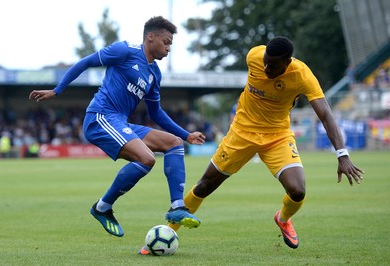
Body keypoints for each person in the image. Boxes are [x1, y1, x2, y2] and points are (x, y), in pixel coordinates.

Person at [168, 36, 364, 249]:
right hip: (242, 132)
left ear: (287, 62)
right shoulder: (254, 56)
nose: (266, 68)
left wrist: (342, 154)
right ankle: (168, 232)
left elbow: (326, 115)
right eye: (265, 63)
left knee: (298, 191)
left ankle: (283, 218)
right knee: (205, 185)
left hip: (277, 136)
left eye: (272, 65)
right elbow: (262, 63)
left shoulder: (302, 75)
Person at [29, 16, 206, 238]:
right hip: (100, 117)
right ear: (150, 37)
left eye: (171, 44)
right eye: (166, 41)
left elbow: (155, 113)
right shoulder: (124, 50)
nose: (169, 48)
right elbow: (86, 62)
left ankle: (177, 207)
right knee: (147, 158)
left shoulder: (154, 74)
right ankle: (102, 207)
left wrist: (186, 134)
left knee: (174, 143)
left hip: (119, 122)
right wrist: (57, 90)